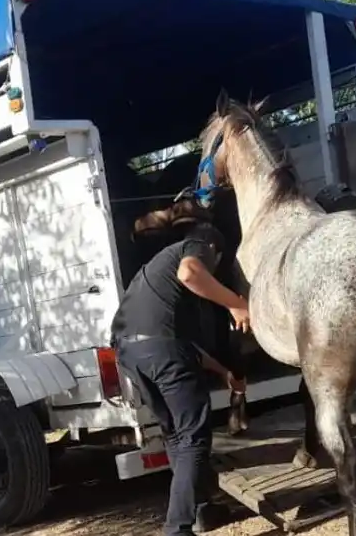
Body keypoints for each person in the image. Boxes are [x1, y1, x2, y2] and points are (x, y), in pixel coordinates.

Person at [110, 218, 252, 536]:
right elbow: (190, 273)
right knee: (193, 438)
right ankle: (177, 528)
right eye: (216, 263)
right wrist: (236, 303)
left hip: (130, 352)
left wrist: (224, 371)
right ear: (213, 250)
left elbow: (180, 346)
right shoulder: (196, 246)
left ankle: (198, 509)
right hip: (159, 351)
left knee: (175, 435)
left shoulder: (158, 278)